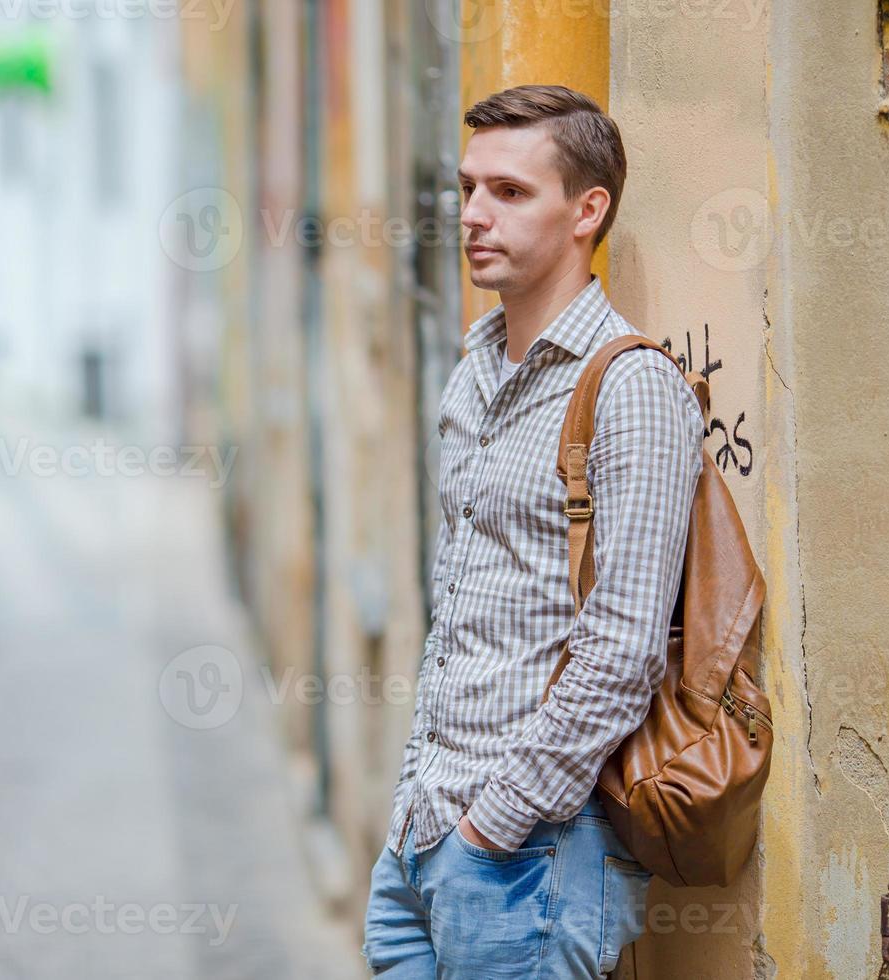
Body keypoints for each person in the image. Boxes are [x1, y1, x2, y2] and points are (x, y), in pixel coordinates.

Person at [361, 84, 705, 978]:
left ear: (588, 210)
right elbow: (462, 610)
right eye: (469, 188)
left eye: (510, 193)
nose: (475, 214)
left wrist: (493, 827)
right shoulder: (474, 370)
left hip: (531, 860)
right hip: (420, 837)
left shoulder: (631, 389)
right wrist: (417, 817)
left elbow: (625, 648)